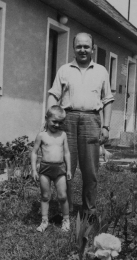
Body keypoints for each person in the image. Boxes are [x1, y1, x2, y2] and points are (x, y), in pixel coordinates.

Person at [47, 32, 114, 218]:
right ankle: (65, 212)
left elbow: (108, 100)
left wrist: (106, 127)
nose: (83, 50)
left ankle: (89, 212)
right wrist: (50, 119)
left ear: (92, 49)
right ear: (74, 48)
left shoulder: (101, 71)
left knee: (90, 171)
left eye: (86, 46)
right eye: (79, 46)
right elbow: (53, 95)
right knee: (65, 169)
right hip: (67, 120)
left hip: (92, 121)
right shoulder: (64, 70)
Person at [31, 105, 71, 232]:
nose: (57, 125)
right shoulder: (41, 136)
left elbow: (66, 153)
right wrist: (33, 169)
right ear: (46, 119)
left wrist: (69, 169)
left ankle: (66, 220)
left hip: (60, 169)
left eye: (60, 122)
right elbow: (34, 152)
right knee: (45, 196)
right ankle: (44, 221)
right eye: (54, 121)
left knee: (63, 196)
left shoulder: (63, 135)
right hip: (45, 170)